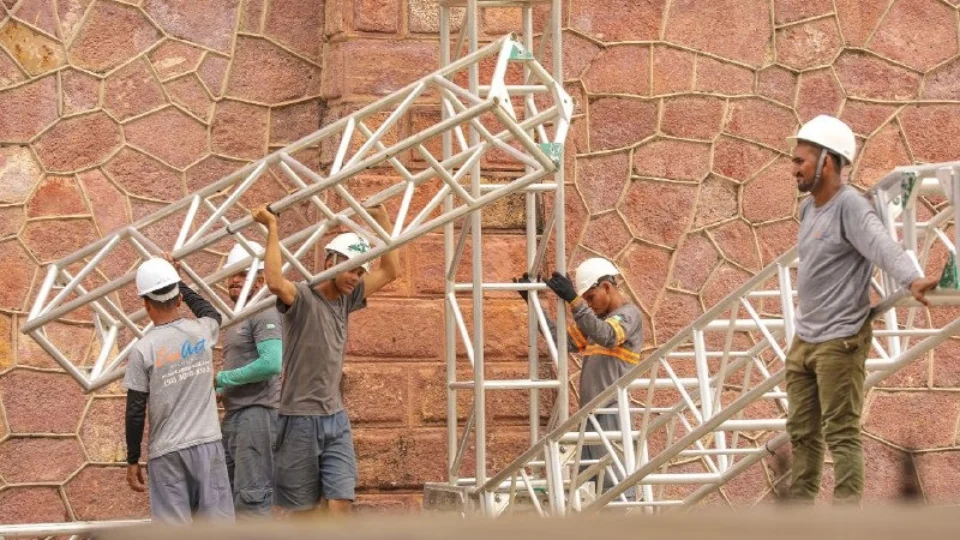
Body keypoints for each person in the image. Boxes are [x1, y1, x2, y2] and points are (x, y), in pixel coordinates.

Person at [786, 114, 939, 504]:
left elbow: (881, 245)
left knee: (840, 433)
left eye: (801, 160)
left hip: (840, 342)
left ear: (829, 162)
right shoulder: (808, 210)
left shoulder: (852, 206)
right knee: (802, 433)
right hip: (804, 340)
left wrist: (913, 279)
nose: (794, 169)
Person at [251, 204, 401, 515]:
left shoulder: (349, 299)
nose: (355, 278)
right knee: (303, 512)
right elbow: (276, 282)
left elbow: (390, 271)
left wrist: (383, 220)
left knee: (341, 501)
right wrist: (272, 227)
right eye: (351, 269)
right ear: (330, 262)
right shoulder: (303, 297)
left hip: (335, 418)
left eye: (360, 272)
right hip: (298, 418)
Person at [515, 258, 643, 495]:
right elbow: (561, 340)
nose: (589, 304)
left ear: (606, 287)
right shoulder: (597, 323)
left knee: (616, 490)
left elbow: (608, 336)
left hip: (612, 412)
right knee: (589, 489)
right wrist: (533, 305)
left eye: (590, 298)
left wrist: (574, 301)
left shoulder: (629, 315)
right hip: (591, 415)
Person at [124, 255, 234, 524]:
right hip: (207, 444)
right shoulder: (201, 332)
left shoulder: (142, 350)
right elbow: (210, 312)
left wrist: (133, 459)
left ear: (146, 305)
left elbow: (135, 410)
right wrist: (179, 280)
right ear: (179, 300)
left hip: (167, 454)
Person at [215, 242, 283, 517]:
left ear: (259, 279)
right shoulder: (238, 317)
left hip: (256, 416)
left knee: (251, 503)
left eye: (242, 274)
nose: (234, 281)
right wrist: (220, 389)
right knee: (229, 502)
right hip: (236, 417)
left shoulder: (263, 311)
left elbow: (271, 363)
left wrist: (222, 378)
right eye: (232, 274)